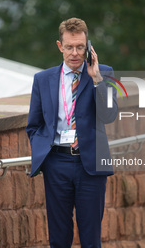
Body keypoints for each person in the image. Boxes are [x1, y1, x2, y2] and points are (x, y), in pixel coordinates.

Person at [26, 17, 118, 248]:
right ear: (60, 46)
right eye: (69, 47)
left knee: (90, 237)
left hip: (91, 165)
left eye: (80, 47)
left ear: (88, 47)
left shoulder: (103, 73)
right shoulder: (43, 79)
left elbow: (109, 116)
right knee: (58, 237)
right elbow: (34, 125)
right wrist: (44, 157)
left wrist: (97, 79)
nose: (75, 53)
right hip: (57, 163)